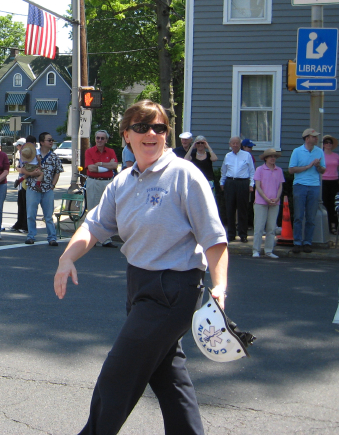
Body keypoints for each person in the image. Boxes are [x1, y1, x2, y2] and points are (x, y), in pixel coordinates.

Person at [54, 100, 228, 435]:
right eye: (142, 127)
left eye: (159, 128)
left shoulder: (184, 175)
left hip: (174, 289)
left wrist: (220, 287)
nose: (151, 133)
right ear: (127, 135)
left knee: (119, 372)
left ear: (166, 134)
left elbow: (213, 238)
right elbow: (94, 226)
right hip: (139, 284)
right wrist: (66, 258)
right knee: (169, 377)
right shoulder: (124, 181)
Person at [287, 128, 326, 254]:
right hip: (300, 185)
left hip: (314, 186)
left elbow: (323, 170)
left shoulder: (319, 151)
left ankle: (308, 242)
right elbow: (291, 170)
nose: (316, 138)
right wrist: (308, 166)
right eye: (314, 136)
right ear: (307, 138)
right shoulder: (297, 151)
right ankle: (297, 242)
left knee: (311, 217)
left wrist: (318, 166)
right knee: (298, 216)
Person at [23, 132, 63, 246]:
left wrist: (53, 185)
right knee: (31, 214)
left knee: (48, 216)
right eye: (49, 140)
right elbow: (23, 168)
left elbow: (58, 171)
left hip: (47, 190)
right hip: (33, 187)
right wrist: (31, 173)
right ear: (41, 142)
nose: (51, 142)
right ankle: (31, 236)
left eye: (52, 140)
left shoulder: (54, 156)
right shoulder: (33, 154)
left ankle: (52, 238)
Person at [84, 130, 119, 247]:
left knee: (106, 211)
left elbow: (114, 166)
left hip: (107, 183)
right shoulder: (89, 152)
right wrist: (107, 165)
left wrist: (100, 164)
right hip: (93, 182)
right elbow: (91, 168)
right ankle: (91, 238)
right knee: (93, 210)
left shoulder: (111, 151)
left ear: (106, 140)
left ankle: (106, 239)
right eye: (97, 138)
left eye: (102, 138)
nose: (99, 140)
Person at [220, 136, 255, 242]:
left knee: (242, 209)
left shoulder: (247, 155)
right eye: (233, 143)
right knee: (230, 209)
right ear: (230, 144)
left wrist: (251, 184)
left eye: (237, 143)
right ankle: (231, 234)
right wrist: (222, 182)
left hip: (243, 183)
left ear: (240, 145)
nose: (235, 145)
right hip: (230, 182)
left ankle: (243, 234)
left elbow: (252, 171)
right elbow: (224, 170)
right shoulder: (227, 156)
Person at [252, 149, 285, 258]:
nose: (273, 158)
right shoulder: (260, 169)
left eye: (274, 156)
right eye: (270, 156)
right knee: (259, 227)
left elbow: (280, 186)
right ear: (265, 158)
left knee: (271, 228)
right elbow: (258, 186)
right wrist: (266, 198)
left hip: (275, 202)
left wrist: (277, 198)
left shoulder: (279, 170)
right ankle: (256, 250)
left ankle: (269, 250)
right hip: (261, 202)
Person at [10, 137, 32, 233]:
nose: (18, 147)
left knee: (25, 204)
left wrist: (18, 169)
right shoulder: (21, 154)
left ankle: (25, 225)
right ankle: (19, 223)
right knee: (20, 203)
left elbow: (24, 169)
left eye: (19, 145)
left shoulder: (28, 155)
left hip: (26, 181)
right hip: (21, 181)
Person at [321, 134, 339, 233]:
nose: (328, 144)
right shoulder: (320, 155)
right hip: (324, 180)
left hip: (334, 180)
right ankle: (325, 226)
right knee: (324, 203)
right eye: (326, 142)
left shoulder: (336, 156)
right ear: (323, 144)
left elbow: (337, 167)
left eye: (330, 143)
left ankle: (334, 226)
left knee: (333, 203)